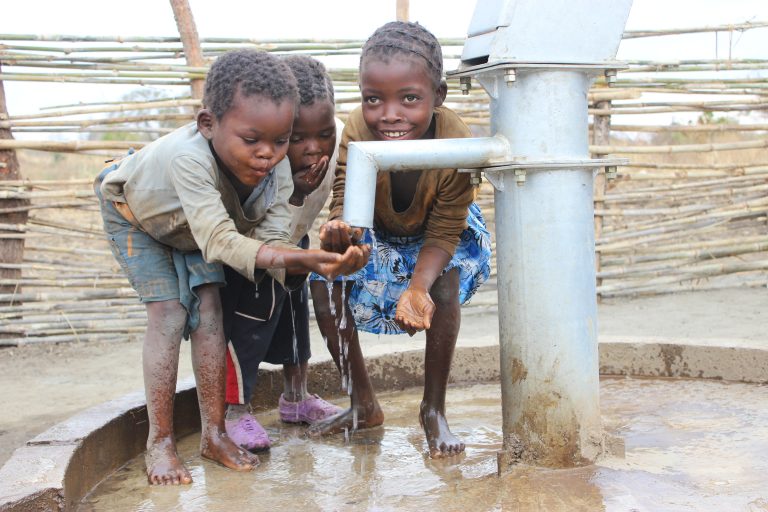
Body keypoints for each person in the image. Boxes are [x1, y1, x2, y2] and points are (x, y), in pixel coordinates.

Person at [94, 48, 369, 485]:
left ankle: (214, 434)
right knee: (169, 315)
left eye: (281, 141)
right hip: (139, 217)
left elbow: (271, 246)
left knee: (210, 316)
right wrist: (305, 259)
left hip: (194, 229)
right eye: (252, 140)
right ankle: (160, 444)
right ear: (208, 125)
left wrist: (318, 266)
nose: (268, 154)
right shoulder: (190, 159)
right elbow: (223, 241)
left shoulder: (275, 169)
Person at [308, 21, 492, 458]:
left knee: (442, 287)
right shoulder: (357, 129)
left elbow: (447, 226)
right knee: (322, 283)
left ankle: (433, 408)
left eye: (409, 98)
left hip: (443, 233)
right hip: (380, 228)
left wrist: (417, 287)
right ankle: (363, 403)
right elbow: (345, 195)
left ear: (438, 96)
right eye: (374, 99)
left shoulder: (454, 138)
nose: (389, 114)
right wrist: (341, 231)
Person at [221, 55, 346, 452]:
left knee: (294, 316)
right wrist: (295, 192)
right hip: (253, 250)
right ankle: (236, 411)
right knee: (248, 323)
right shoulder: (258, 156)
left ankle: (296, 398)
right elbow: (248, 222)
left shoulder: (339, 139)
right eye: (296, 138)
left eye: (322, 134)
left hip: (297, 241)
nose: (312, 148)